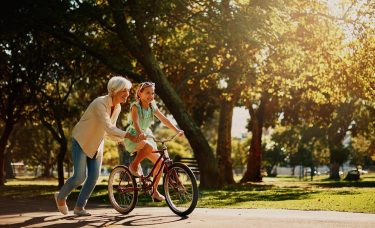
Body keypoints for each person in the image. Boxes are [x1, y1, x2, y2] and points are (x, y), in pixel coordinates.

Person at [54, 76, 135, 216]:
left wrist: (119, 139)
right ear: (114, 90)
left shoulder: (118, 107)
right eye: (124, 90)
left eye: (128, 91)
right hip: (82, 140)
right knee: (80, 176)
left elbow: (109, 131)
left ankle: (79, 208)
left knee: (93, 176)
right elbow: (109, 127)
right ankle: (60, 197)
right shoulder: (100, 103)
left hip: (97, 144)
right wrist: (127, 134)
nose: (127, 94)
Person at [124, 82, 183, 202]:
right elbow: (135, 122)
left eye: (152, 93)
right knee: (149, 147)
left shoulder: (152, 106)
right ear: (140, 93)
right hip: (134, 135)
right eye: (147, 93)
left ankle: (154, 191)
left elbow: (164, 119)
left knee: (161, 163)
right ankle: (133, 165)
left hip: (146, 135)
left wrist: (177, 130)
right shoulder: (136, 106)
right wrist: (140, 133)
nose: (150, 96)